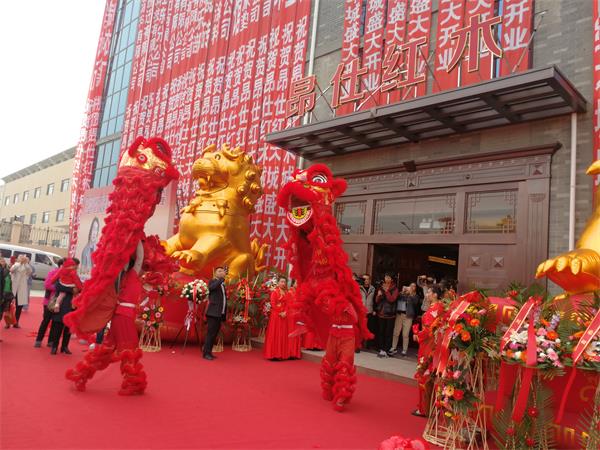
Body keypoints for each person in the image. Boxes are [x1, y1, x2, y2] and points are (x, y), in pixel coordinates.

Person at [66, 242, 148, 395]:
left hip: (122, 316)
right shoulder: (131, 275)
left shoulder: (126, 278)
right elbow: (139, 258)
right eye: (144, 267)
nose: (144, 268)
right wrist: (136, 239)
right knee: (129, 349)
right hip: (123, 317)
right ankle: (132, 381)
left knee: (107, 350)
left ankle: (81, 374)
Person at [413, 286, 445, 417]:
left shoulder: (436, 309)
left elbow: (428, 330)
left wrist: (417, 335)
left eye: (430, 292)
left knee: (424, 374)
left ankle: (424, 408)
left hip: (428, 345)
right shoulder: (438, 307)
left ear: (435, 294)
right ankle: (429, 407)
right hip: (432, 345)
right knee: (430, 375)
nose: (427, 294)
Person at [48, 258, 81, 355]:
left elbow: (80, 288)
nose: (76, 267)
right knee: (58, 326)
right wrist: (71, 290)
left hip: (71, 305)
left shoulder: (74, 274)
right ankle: (54, 346)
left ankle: (64, 347)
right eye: (75, 265)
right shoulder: (64, 273)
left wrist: (76, 289)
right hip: (61, 305)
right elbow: (57, 286)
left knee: (68, 327)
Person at [264, 277, 301, 360]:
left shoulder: (286, 292)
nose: (283, 283)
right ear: (278, 283)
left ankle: (280, 354)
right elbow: (273, 304)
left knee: (282, 335)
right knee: (275, 334)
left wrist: (285, 312)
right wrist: (280, 312)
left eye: (284, 282)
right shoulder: (274, 292)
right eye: (281, 282)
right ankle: (273, 354)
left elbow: (288, 303)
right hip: (276, 316)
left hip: (284, 315)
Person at [34, 258, 64, 348]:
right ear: (61, 265)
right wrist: (60, 288)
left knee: (55, 322)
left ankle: (51, 341)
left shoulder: (67, 275)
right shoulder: (53, 273)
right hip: (49, 301)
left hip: (60, 302)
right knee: (46, 321)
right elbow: (47, 285)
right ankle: (38, 340)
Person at [203, 266, 227, 361]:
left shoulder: (222, 285)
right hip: (213, 313)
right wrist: (221, 279)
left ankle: (209, 352)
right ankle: (206, 353)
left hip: (219, 313)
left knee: (214, 334)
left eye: (222, 271)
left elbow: (223, 300)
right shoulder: (213, 282)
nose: (221, 272)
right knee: (210, 334)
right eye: (219, 271)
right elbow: (211, 288)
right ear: (215, 273)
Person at [390, 283, 420, 357]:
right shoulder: (403, 294)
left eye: (414, 286)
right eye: (411, 286)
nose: (412, 287)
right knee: (396, 332)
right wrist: (403, 292)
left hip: (408, 316)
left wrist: (410, 293)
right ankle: (393, 347)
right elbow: (397, 298)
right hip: (400, 315)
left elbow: (415, 302)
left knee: (405, 334)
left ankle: (404, 350)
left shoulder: (415, 296)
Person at [374, 273, 399, 358]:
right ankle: (381, 349)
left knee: (388, 333)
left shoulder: (395, 288)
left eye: (388, 277)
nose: (386, 279)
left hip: (390, 314)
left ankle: (386, 349)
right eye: (386, 277)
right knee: (381, 332)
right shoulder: (381, 287)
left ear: (391, 279)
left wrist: (387, 291)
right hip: (381, 313)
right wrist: (378, 295)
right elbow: (377, 301)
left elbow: (392, 299)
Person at [7, 255, 32, 328]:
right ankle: (8, 322)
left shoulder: (26, 266)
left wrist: (26, 263)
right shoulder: (15, 265)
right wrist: (20, 263)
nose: (22, 259)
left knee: (19, 307)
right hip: (13, 288)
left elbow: (30, 271)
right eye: (21, 258)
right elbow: (11, 270)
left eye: (23, 258)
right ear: (18, 259)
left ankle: (16, 322)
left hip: (21, 289)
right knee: (9, 306)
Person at [359, 274, 376, 350]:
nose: (366, 280)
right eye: (364, 279)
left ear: (369, 280)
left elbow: (375, 300)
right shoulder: (359, 288)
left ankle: (368, 345)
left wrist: (374, 309)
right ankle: (359, 344)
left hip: (369, 311)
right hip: (361, 311)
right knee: (360, 328)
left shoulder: (373, 289)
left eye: (367, 279)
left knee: (369, 328)